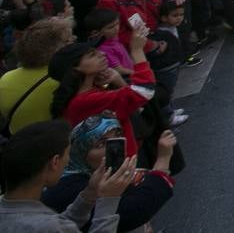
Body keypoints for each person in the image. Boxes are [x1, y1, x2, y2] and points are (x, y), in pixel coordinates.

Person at [41, 118, 176, 233]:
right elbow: (133, 212)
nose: (115, 147)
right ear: (80, 152)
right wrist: (163, 159)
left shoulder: (93, 175)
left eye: (118, 135)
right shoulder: (68, 187)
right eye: (101, 143)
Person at [0, 119, 136, 233]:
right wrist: (109, 200)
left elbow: (61, 223)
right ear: (55, 162)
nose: (67, 162)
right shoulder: (50, 226)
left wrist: (89, 195)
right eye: (67, 154)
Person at [48, 32, 156, 161]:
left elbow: (132, 104)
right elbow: (144, 91)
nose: (102, 54)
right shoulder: (86, 100)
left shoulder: (89, 91)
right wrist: (137, 51)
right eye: (92, 55)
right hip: (118, 166)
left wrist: (116, 80)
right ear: (76, 69)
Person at [0, 18, 73, 134]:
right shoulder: (65, 79)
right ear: (53, 49)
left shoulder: (6, 77)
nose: (74, 42)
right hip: (54, 142)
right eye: (68, 41)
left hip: (17, 140)